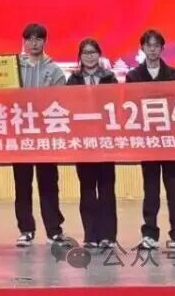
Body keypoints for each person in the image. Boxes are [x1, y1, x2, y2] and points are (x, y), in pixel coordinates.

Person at [126, 29, 175, 251]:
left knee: (174, 188)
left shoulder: (174, 75)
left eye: (156, 45)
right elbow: (130, 106)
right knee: (151, 189)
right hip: (148, 141)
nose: (153, 49)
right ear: (142, 48)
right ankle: (149, 234)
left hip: (170, 141)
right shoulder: (133, 76)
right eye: (149, 45)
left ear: (162, 49)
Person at [13, 22, 68, 247]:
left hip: (46, 137)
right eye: (30, 39)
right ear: (24, 42)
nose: (34, 43)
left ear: (45, 41)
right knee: (22, 185)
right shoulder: (14, 67)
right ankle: (26, 229)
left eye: (38, 39)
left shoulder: (54, 71)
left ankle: (54, 230)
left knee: (48, 184)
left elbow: (62, 102)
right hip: (20, 136)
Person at [66, 38, 119, 249]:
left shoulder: (109, 78)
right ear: (80, 57)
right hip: (83, 142)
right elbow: (68, 107)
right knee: (87, 187)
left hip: (105, 140)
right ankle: (90, 234)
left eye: (93, 52)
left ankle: (108, 235)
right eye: (85, 53)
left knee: (106, 187)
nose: (89, 56)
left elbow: (117, 104)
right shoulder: (73, 80)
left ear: (99, 54)